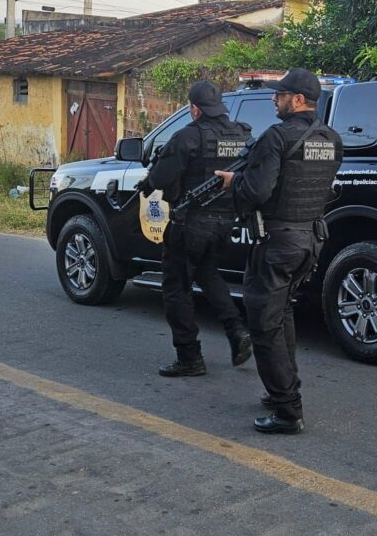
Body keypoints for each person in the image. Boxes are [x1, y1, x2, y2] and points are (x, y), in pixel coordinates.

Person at [215, 68, 342, 434]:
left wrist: (233, 182)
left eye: (280, 94)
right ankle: (283, 391)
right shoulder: (331, 138)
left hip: (277, 241)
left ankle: (288, 410)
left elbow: (257, 192)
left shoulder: (276, 138)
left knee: (264, 323)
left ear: (298, 100)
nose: (274, 98)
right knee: (281, 312)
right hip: (310, 239)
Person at [142, 80, 253, 377]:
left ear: (194, 109)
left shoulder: (188, 136)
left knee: (176, 288)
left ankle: (189, 357)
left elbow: (162, 177)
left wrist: (151, 184)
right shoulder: (243, 133)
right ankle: (237, 330)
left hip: (190, 224)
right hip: (224, 224)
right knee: (207, 273)